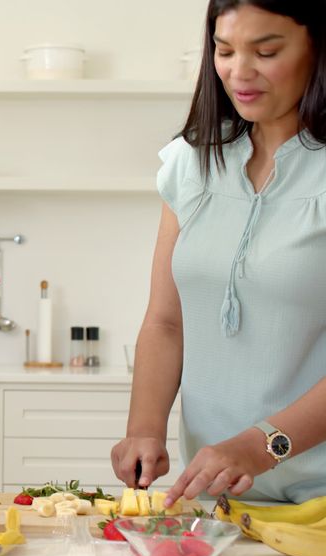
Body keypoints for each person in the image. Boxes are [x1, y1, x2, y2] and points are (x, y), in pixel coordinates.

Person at [111, 0, 326, 505]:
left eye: (266, 51)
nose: (239, 71)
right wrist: (144, 428)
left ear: (317, 49)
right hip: (216, 498)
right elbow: (167, 322)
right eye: (224, 51)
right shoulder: (191, 164)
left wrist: (260, 446)